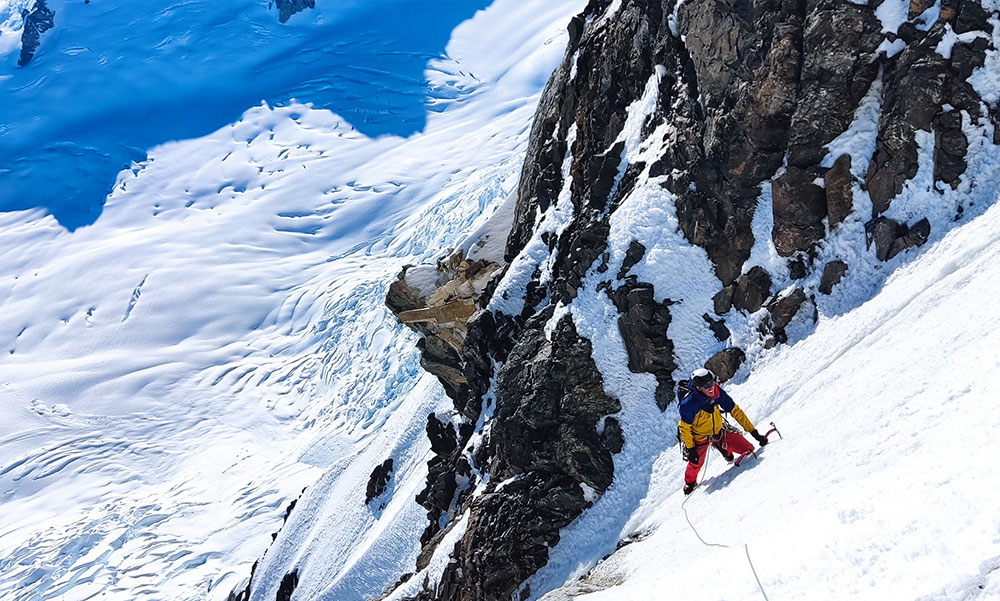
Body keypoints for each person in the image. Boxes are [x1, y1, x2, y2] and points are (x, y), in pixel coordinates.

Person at [678, 368, 769, 495]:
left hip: (718, 430)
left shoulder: (717, 392)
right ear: (698, 388)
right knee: (696, 462)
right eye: (706, 386)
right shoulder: (689, 404)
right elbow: (684, 427)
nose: (711, 387)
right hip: (699, 436)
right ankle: (690, 483)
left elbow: (735, 411)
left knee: (748, 449)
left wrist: (754, 432)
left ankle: (720, 445)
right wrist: (691, 448)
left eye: (711, 382)